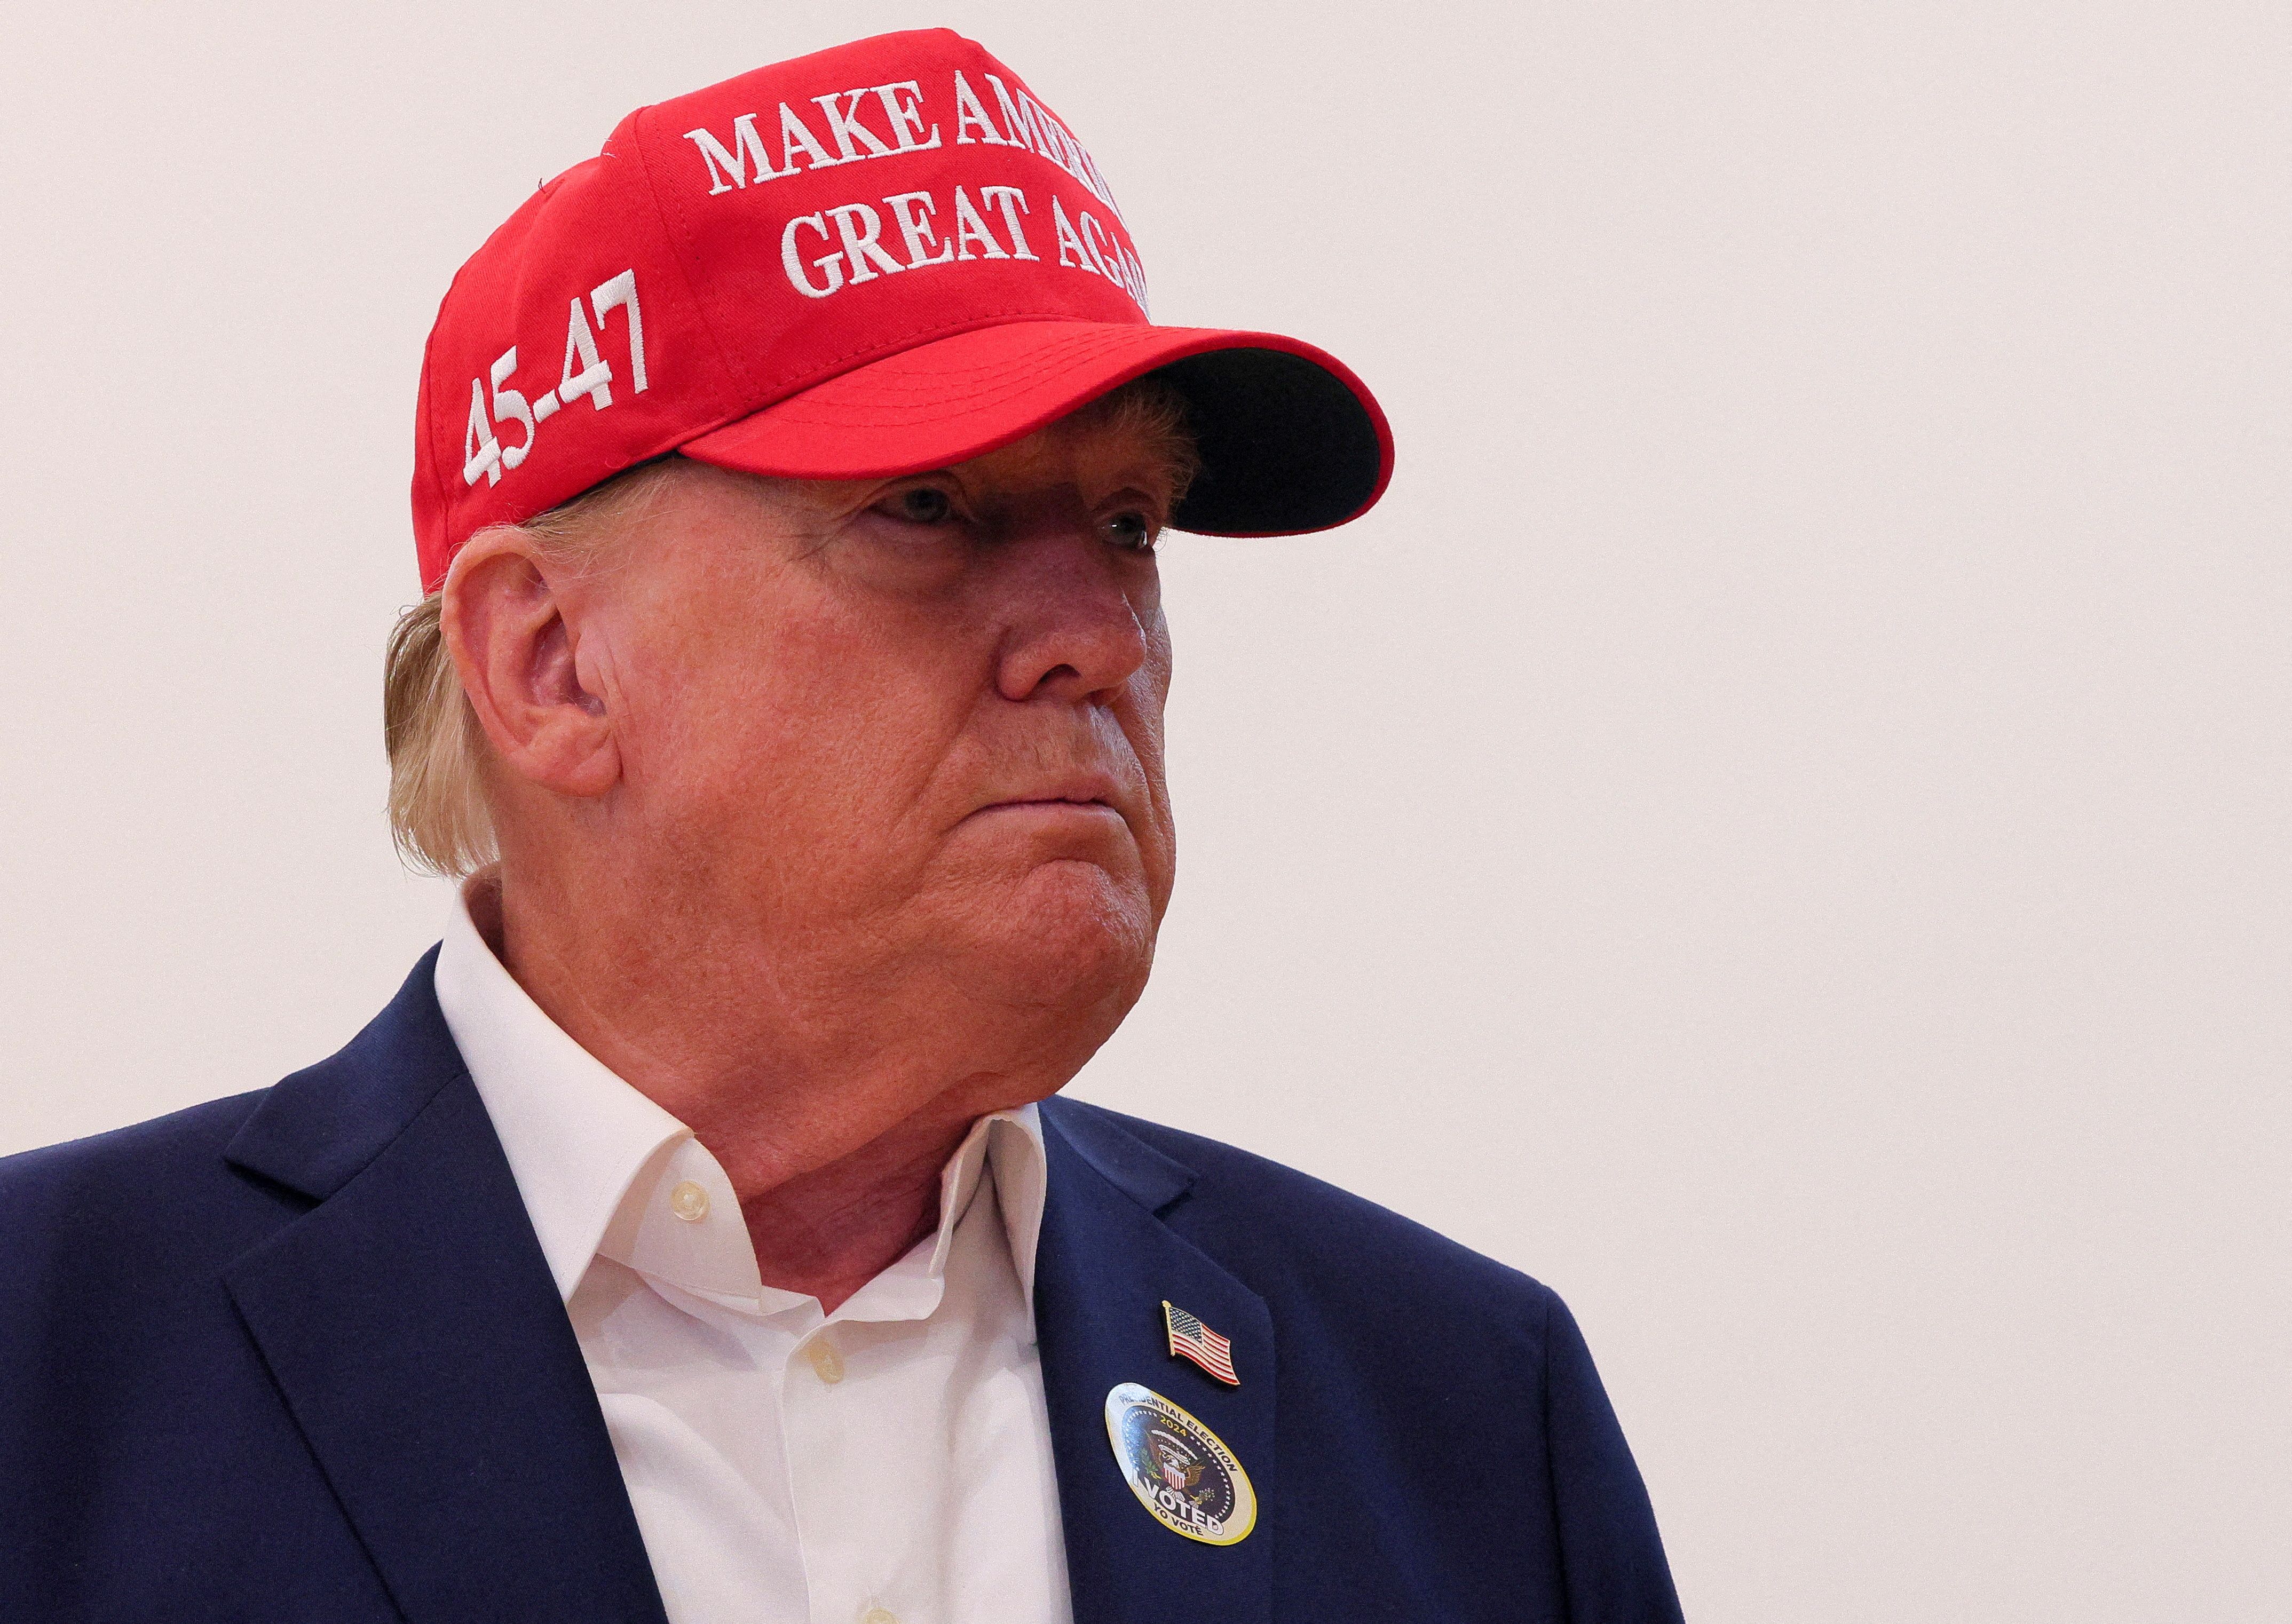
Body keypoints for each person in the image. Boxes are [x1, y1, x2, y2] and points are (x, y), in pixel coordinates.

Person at [0, 28, 1682, 1624]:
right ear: (552, 663)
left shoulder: (1462, 1419)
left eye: (1128, 521)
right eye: (929, 507)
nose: (1094, 629)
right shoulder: (49, 1369)